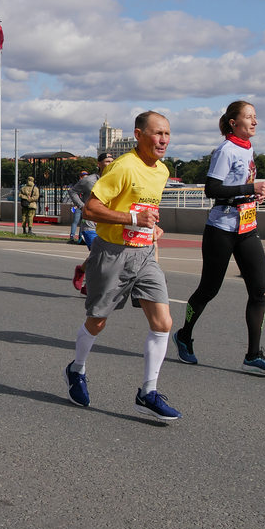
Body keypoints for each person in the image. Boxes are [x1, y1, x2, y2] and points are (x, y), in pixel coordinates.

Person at [62, 111, 180, 420]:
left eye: (167, 134)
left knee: (163, 322)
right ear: (139, 135)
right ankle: (76, 369)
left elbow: (145, 208)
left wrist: (151, 226)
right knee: (97, 321)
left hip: (144, 254)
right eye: (157, 133)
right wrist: (132, 219)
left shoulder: (163, 171)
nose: (163, 140)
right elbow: (90, 208)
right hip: (112, 253)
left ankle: (148, 392)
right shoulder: (122, 167)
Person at [172, 100, 265, 375]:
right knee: (209, 290)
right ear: (234, 122)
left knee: (259, 291)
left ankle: (253, 355)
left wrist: (253, 193)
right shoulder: (226, 150)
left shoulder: (248, 148)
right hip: (221, 229)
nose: (255, 122)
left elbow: (237, 188)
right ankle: (184, 335)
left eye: (256, 117)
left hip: (247, 229)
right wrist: (249, 186)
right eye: (249, 117)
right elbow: (212, 189)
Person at [70, 154, 114, 293]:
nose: (110, 163)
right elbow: (73, 192)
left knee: (101, 254)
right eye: (107, 161)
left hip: (107, 222)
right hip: (90, 222)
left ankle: (82, 271)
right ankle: (91, 286)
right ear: (99, 164)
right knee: (100, 253)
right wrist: (83, 207)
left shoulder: (116, 180)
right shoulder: (89, 180)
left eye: (112, 161)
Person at [68, 170, 88, 243]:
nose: (85, 178)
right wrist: (76, 204)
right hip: (78, 206)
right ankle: (72, 236)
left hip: (85, 205)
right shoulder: (78, 184)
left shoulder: (87, 184)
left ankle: (81, 237)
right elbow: (74, 194)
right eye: (83, 176)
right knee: (76, 221)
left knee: (83, 222)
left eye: (86, 176)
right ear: (81, 177)